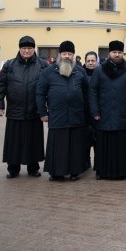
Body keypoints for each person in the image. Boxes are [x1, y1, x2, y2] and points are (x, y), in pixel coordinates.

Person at [0, 35, 48, 178]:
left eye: (29, 48)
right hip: (15, 110)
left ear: (34, 49)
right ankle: (13, 168)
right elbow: (0, 86)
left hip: (34, 110)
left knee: (33, 141)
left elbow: (50, 86)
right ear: (19, 49)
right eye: (24, 48)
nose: (26, 51)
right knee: (14, 142)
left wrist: (47, 108)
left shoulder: (43, 65)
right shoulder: (10, 65)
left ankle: (33, 168)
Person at [36, 41, 90, 182]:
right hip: (57, 116)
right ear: (59, 55)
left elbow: (87, 93)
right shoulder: (48, 72)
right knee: (58, 146)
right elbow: (40, 94)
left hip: (76, 116)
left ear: (73, 55)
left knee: (75, 146)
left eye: (69, 54)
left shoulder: (80, 72)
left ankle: (74, 172)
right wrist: (42, 112)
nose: (67, 56)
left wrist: (86, 111)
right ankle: (56, 172)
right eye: (64, 53)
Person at [88, 40, 126, 180]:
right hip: (103, 114)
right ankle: (102, 171)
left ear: (122, 53)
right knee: (103, 146)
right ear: (109, 53)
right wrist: (95, 111)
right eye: (114, 52)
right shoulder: (99, 70)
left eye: (119, 52)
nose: (117, 55)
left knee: (121, 146)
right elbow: (92, 91)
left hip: (123, 114)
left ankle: (122, 171)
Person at [82, 51, 99, 167]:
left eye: (93, 60)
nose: (90, 63)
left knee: (98, 140)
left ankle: (98, 163)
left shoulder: (101, 74)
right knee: (85, 140)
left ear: (96, 61)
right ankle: (85, 162)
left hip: (97, 113)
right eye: (88, 61)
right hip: (84, 113)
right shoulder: (80, 74)